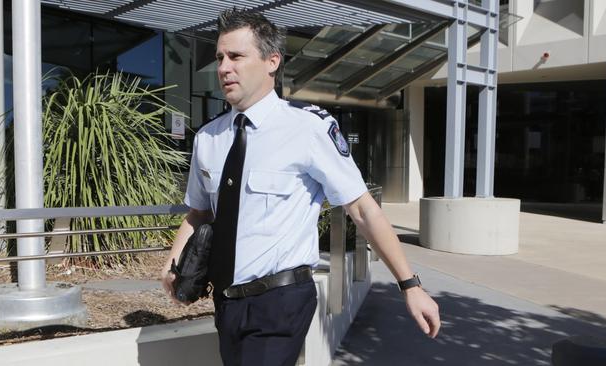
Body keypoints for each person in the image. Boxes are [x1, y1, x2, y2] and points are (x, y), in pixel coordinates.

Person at [160, 8, 440, 366]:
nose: (224, 67)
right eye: (219, 57)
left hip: (280, 301)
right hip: (226, 303)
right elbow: (199, 212)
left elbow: (363, 209)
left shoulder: (308, 128)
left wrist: (410, 286)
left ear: (271, 61)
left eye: (236, 56)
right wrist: (173, 266)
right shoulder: (208, 138)